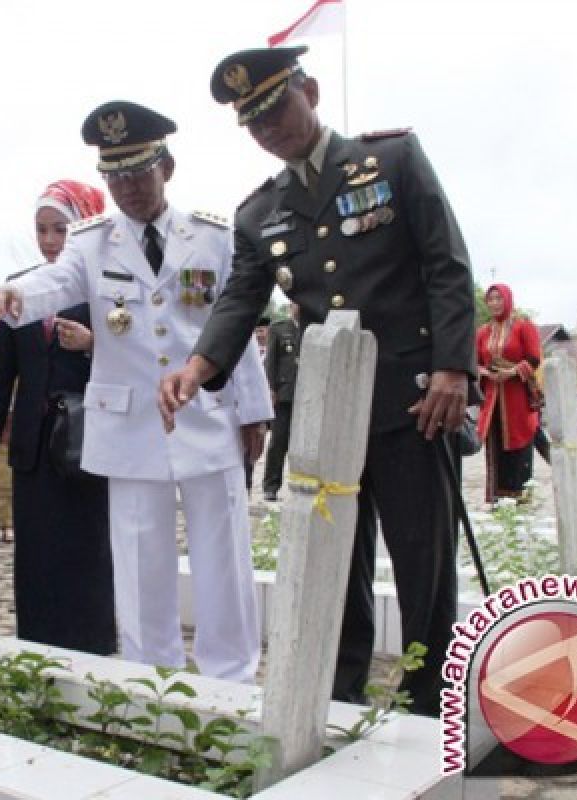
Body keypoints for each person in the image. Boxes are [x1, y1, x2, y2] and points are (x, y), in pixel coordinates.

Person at [159, 47, 475, 716]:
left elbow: (445, 263)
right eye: (254, 121)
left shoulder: (391, 161)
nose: (270, 127)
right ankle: (338, 694)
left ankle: (429, 706)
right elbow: (241, 300)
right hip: (328, 411)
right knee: (335, 556)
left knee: (423, 562)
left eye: (278, 107)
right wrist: (197, 367)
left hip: (413, 399)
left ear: (311, 90)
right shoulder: (258, 213)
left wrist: (453, 368)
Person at [0, 102, 274, 682]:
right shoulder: (90, 242)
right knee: (141, 557)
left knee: (222, 554)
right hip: (129, 423)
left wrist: (254, 412)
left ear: (166, 167)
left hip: (209, 413)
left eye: (137, 173)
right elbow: (57, 282)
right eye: (113, 175)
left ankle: (232, 676)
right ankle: (153, 678)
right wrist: (13, 297)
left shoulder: (213, 238)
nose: (126, 187)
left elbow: (237, 328)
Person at [0, 179, 116, 655]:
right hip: (34, 439)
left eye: (61, 229)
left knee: (87, 542)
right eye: (43, 230)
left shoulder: (106, 286)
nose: (51, 240)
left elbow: (138, 356)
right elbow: (2, 365)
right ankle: (37, 638)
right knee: (36, 546)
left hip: (86, 437)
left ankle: (92, 638)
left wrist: (95, 345)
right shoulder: (23, 288)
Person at [475, 284, 542, 504]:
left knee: (519, 441)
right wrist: (486, 373)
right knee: (495, 444)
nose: (494, 303)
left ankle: (521, 496)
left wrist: (511, 372)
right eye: (491, 299)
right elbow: (475, 363)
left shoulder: (524, 327)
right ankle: (498, 496)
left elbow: (534, 359)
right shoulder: (483, 332)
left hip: (517, 398)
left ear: (508, 300)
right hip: (493, 398)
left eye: (499, 299)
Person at [262, 302, 301, 504]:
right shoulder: (279, 328)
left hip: (306, 396)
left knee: (302, 445)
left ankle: (299, 486)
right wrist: (270, 389)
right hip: (284, 393)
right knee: (278, 442)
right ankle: (270, 486)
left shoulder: (313, 327)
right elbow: (271, 361)